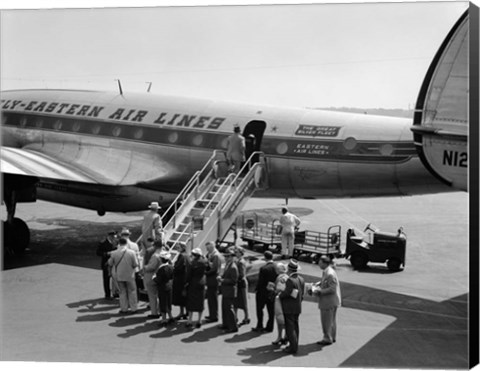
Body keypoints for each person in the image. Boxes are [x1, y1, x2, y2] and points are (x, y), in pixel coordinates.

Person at [311, 255, 341, 346]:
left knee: (326, 321)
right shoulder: (327, 272)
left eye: (319, 262)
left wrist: (319, 291)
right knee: (331, 320)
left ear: (324, 263)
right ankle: (332, 336)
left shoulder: (329, 274)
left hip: (328, 301)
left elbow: (332, 289)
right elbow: (326, 282)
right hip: (331, 301)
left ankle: (327, 338)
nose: (318, 264)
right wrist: (319, 284)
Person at [279, 259, 305, 354]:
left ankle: (293, 347)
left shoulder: (290, 280)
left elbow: (286, 292)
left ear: (289, 270)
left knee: (290, 328)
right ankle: (294, 344)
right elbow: (302, 294)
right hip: (297, 307)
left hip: (289, 307)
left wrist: (279, 296)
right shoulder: (301, 279)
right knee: (295, 326)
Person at [108, 237, 139, 314]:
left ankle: (124, 308)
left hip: (119, 275)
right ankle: (133, 308)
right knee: (132, 291)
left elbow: (110, 263)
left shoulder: (114, 253)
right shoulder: (132, 253)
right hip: (130, 275)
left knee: (122, 292)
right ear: (126, 243)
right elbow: (135, 264)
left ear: (119, 243)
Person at [252, 250, 278, 333]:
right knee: (271, 310)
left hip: (262, 292)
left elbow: (261, 282)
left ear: (265, 258)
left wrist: (256, 289)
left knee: (260, 309)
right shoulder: (276, 267)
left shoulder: (263, 269)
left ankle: (260, 325)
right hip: (272, 291)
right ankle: (270, 327)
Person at [185, 247, 207, 329]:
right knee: (200, 301)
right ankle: (199, 320)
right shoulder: (204, 262)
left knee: (191, 301)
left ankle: (190, 320)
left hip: (193, 283)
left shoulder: (192, 263)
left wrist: (186, 282)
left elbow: (188, 275)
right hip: (202, 282)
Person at [218, 247, 239, 333]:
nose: (226, 258)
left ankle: (233, 327)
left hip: (230, 290)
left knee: (229, 309)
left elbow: (234, 280)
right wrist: (221, 277)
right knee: (225, 308)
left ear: (231, 257)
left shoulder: (233, 267)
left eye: (227, 256)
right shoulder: (228, 265)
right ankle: (226, 324)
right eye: (225, 256)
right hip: (226, 290)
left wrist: (222, 280)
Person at [143, 239, 162, 319]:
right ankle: (161, 311)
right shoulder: (165, 253)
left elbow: (151, 267)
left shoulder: (155, 256)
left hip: (152, 276)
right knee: (159, 295)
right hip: (160, 276)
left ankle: (154, 312)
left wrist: (144, 267)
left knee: (152, 296)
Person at [154, 251, 174, 327]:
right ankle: (171, 316)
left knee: (163, 302)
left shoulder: (161, 269)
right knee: (169, 302)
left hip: (162, 287)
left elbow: (158, 280)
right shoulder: (171, 267)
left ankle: (164, 319)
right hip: (169, 286)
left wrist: (154, 278)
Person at [96, 231, 117, 299]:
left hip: (114, 263)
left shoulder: (115, 242)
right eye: (113, 236)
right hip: (106, 263)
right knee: (106, 280)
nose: (114, 237)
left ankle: (115, 292)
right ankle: (107, 294)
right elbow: (98, 252)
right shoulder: (103, 243)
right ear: (109, 236)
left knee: (115, 279)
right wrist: (106, 253)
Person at [205, 241, 222, 323]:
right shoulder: (211, 255)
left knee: (213, 298)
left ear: (212, 247)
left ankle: (214, 316)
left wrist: (206, 273)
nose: (207, 250)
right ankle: (212, 314)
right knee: (210, 298)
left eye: (208, 248)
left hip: (213, 279)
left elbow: (214, 269)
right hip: (210, 279)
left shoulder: (216, 256)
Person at [272, 262, 289, 346]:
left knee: (279, 319)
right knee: (285, 319)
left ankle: (279, 336)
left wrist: (272, 289)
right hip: (287, 302)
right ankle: (285, 336)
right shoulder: (287, 277)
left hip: (280, 301)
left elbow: (279, 289)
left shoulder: (280, 278)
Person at [172, 243, 189, 320]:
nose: (177, 249)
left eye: (178, 247)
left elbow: (178, 267)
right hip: (186, 278)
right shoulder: (187, 255)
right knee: (185, 297)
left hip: (180, 279)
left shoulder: (182, 256)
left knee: (180, 297)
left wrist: (173, 267)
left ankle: (182, 312)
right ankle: (187, 312)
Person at [234, 246, 250, 326]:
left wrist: (235, 279)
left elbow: (242, 274)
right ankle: (235, 316)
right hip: (239, 283)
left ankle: (246, 317)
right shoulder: (238, 261)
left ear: (240, 253)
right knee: (236, 301)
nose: (235, 253)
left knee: (244, 301)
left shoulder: (241, 262)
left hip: (241, 284)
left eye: (236, 252)